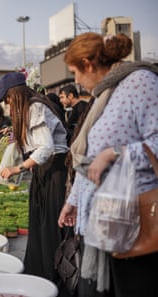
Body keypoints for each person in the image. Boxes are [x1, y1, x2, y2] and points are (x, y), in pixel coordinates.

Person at [58, 32, 158, 297]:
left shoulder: (141, 82)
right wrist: (74, 199)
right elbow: (91, 156)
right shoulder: (107, 93)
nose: (76, 81)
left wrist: (115, 152)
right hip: (105, 220)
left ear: (88, 64)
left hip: (135, 220)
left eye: (75, 72)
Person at [0, 72, 69, 294]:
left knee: (50, 224)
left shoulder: (35, 108)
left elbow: (46, 147)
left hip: (54, 170)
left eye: (7, 98)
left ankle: (53, 276)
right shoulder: (30, 108)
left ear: (14, 94)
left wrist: (18, 168)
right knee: (40, 222)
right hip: (43, 169)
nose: (6, 103)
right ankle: (40, 274)